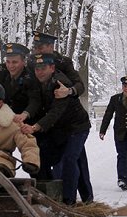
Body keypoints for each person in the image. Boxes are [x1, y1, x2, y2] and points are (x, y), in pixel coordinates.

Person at [21, 53, 93, 205]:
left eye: (43, 68)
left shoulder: (60, 84)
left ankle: (68, 201)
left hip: (77, 128)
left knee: (69, 159)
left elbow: (55, 113)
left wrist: (35, 127)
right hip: (60, 129)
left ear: (52, 68)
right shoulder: (38, 81)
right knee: (45, 156)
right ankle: (50, 194)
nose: (39, 72)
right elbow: (35, 101)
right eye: (37, 69)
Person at [99, 76, 127, 190]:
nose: (126, 88)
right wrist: (103, 130)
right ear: (122, 87)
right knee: (122, 155)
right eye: (125, 86)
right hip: (120, 133)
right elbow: (108, 115)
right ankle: (121, 179)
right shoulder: (115, 99)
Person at [0, 42, 40, 124]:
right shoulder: (1, 70)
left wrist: (25, 114)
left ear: (23, 62)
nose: (10, 66)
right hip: (1, 119)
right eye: (8, 62)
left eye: (15, 62)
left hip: (23, 122)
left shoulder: (30, 77)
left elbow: (35, 100)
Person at [30, 31, 85, 99]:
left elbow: (79, 85)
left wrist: (68, 91)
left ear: (51, 47)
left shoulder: (64, 62)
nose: (37, 51)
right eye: (35, 48)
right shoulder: (31, 62)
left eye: (40, 48)